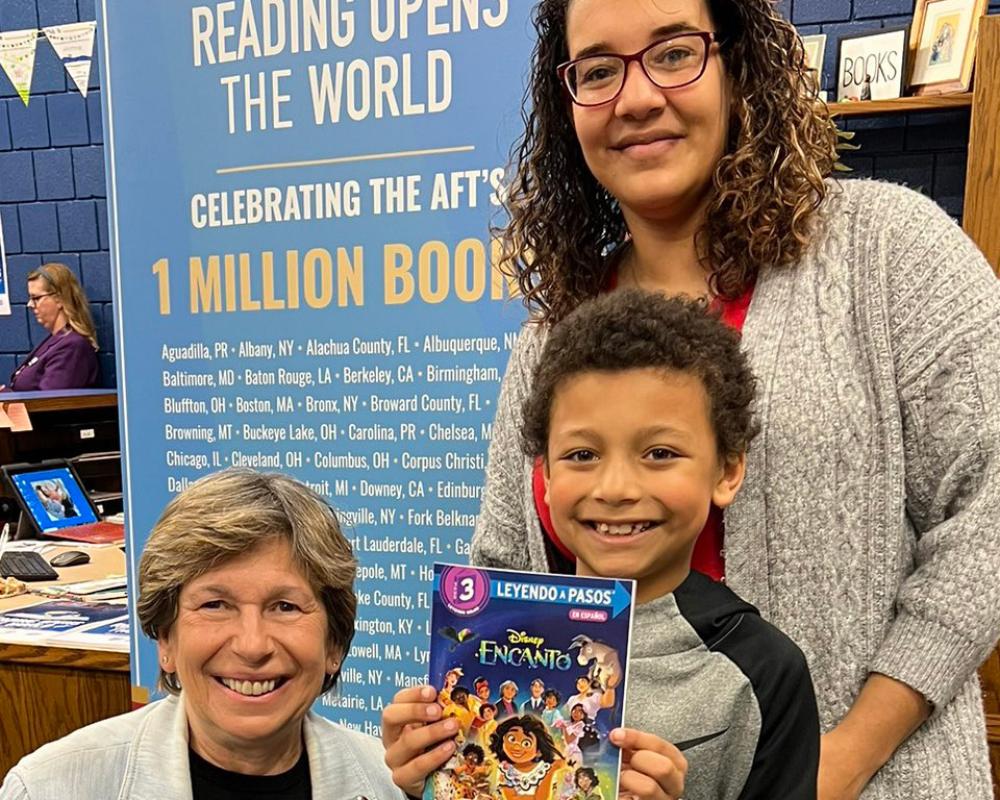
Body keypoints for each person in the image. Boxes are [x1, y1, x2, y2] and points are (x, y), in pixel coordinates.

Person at [467, 0, 1000, 797]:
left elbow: (989, 518)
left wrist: (838, 758)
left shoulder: (888, 253)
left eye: (674, 53)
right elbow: (509, 574)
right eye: (600, 70)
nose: (637, 97)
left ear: (737, 64)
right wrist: (464, 747)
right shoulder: (552, 339)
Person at [383, 292, 821, 800]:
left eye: (659, 453)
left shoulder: (761, 671)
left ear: (726, 471)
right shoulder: (490, 640)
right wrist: (425, 782)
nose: (615, 488)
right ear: (543, 477)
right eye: (582, 453)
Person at [0, 468, 402, 800]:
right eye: (215, 605)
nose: (252, 646)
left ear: (334, 643)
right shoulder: (50, 788)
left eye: (285, 606)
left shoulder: (394, 787)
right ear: (166, 640)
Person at [3, 263, 100, 392]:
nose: (30, 304)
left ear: (60, 298)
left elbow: (49, 402)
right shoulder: (56, 340)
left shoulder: (72, 346)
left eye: (36, 298)